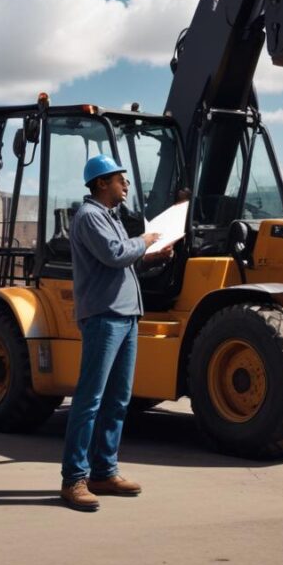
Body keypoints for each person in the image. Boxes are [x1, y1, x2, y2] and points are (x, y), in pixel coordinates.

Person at [59, 154, 173, 512]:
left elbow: (123, 262)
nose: (126, 185)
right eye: (120, 179)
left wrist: (151, 256)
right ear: (102, 182)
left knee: (118, 399)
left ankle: (103, 472)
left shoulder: (109, 218)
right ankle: (74, 479)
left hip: (125, 316)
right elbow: (113, 254)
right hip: (104, 317)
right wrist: (144, 240)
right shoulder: (90, 216)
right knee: (90, 399)